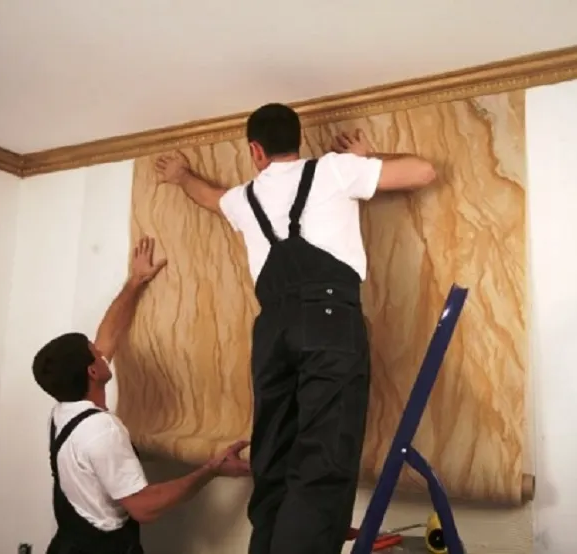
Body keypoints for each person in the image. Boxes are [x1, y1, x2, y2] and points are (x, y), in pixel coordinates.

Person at [154, 103, 438, 554]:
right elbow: (423, 172)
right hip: (329, 320)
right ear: (298, 140)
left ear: (255, 150)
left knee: (274, 453)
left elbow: (208, 197)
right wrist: (366, 157)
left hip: (272, 329)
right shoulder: (334, 170)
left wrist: (181, 175)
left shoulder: (244, 198)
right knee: (324, 450)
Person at [32, 236, 251, 554]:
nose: (101, 352)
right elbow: (144, 507)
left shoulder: (62, 415)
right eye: (94, 353)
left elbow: (108, 335)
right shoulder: (100, 430)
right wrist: (211, 470)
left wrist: (136, 281)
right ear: (92, 371)